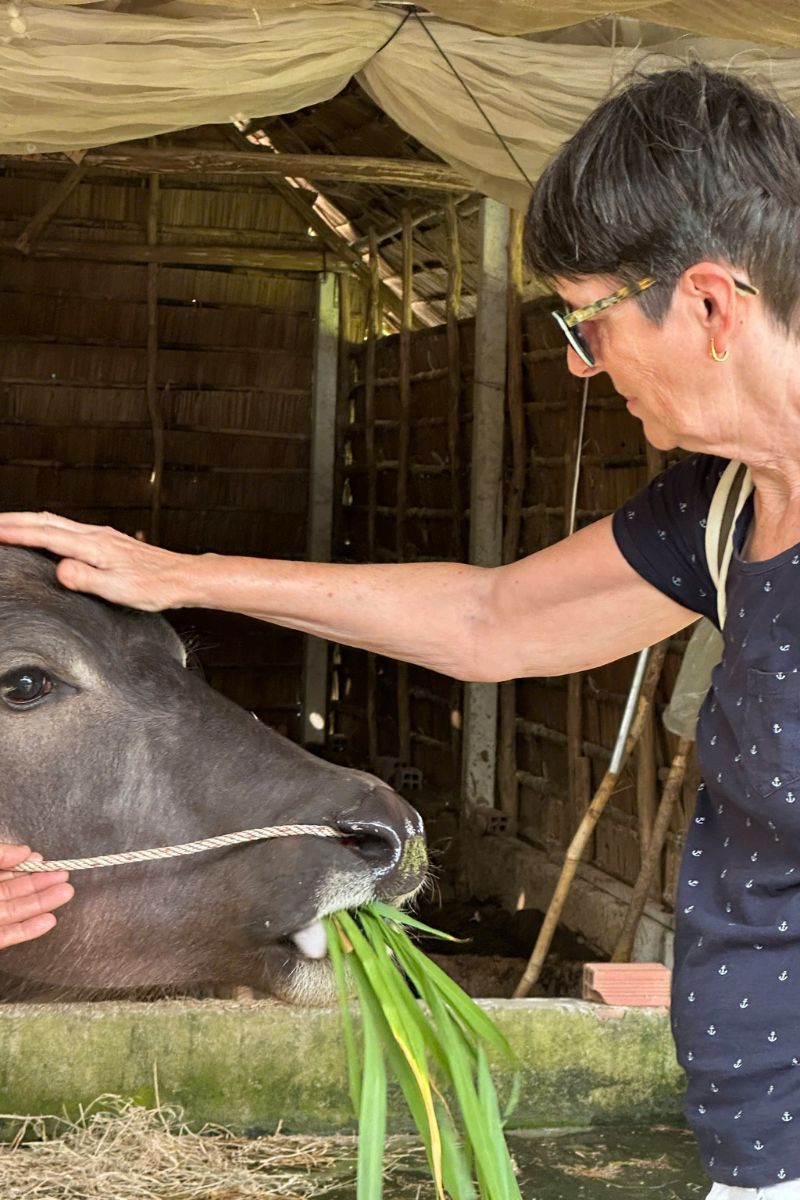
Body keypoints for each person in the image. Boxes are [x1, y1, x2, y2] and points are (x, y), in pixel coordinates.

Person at [0, 60, 798, 1198]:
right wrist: (180, 574)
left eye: (587, 324)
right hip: (760, 1124)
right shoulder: (719, 511)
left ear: (710, 303)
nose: (580, 364)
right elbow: (490, 617)